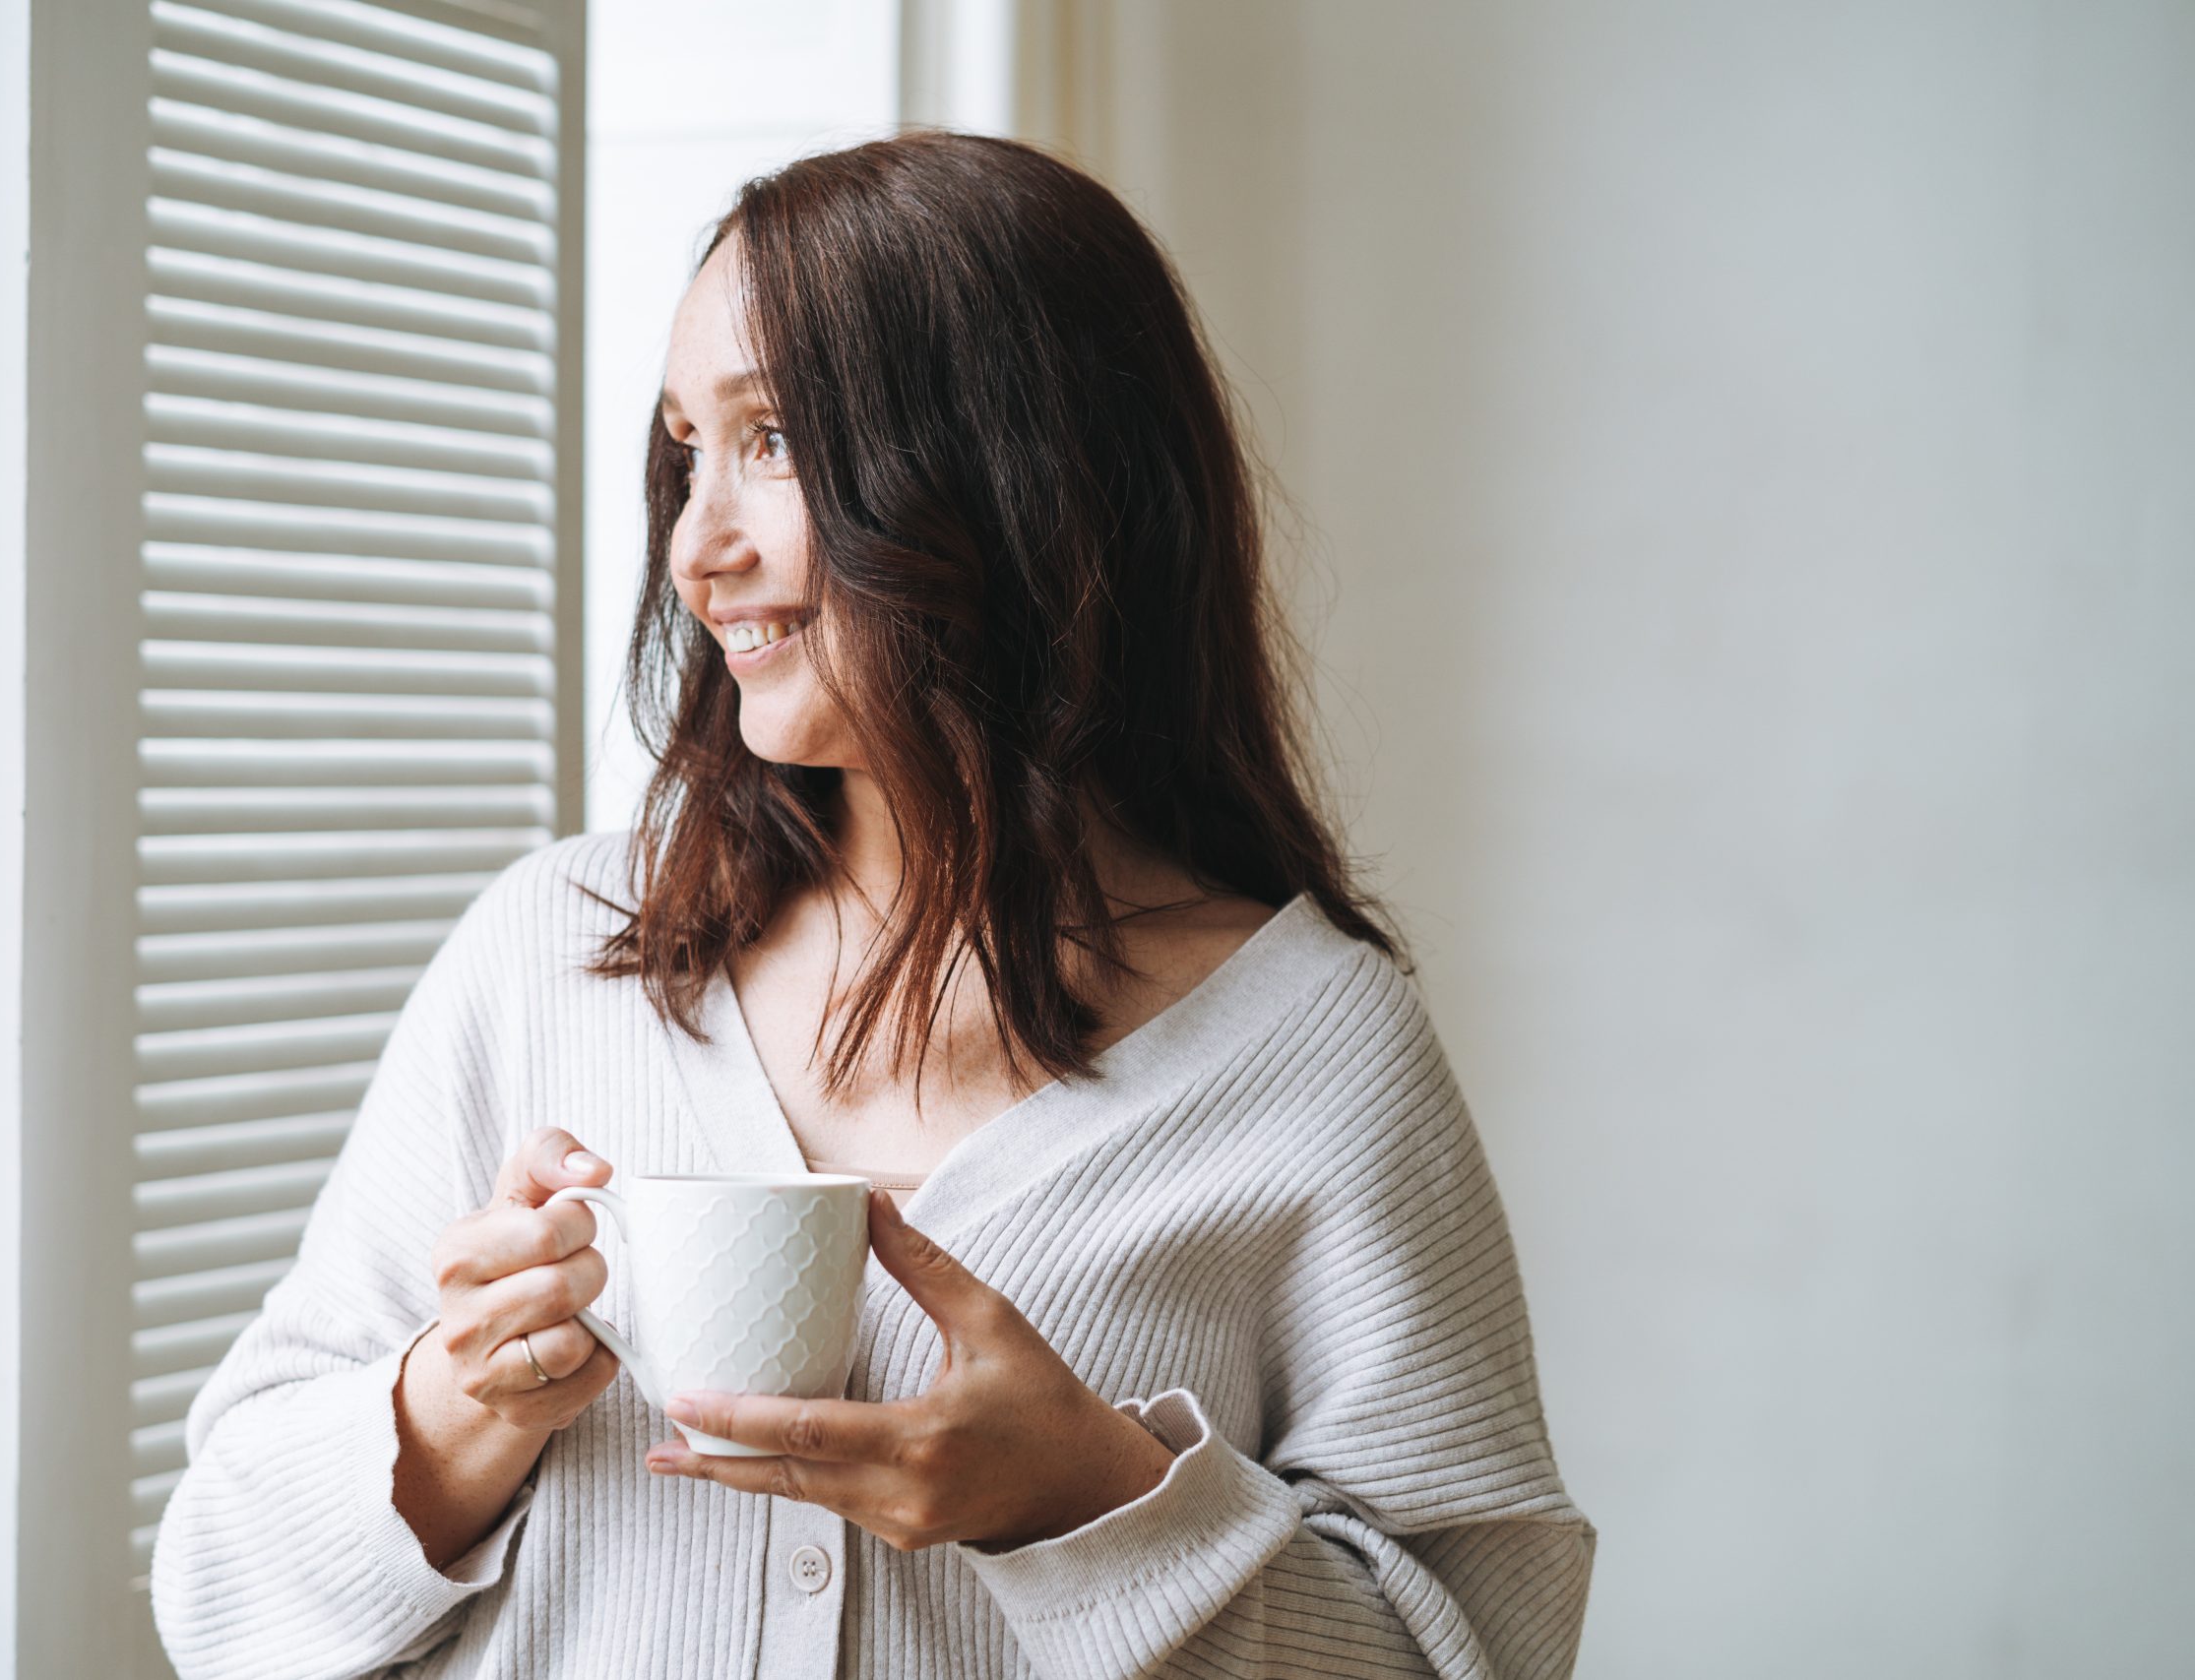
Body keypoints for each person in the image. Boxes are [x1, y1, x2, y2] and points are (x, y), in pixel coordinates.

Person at [152, 130, 1595, 1680]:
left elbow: (1477, 1650)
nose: (700, 551)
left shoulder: (1317, 1054)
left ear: (1019, 471)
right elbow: (219, 1594)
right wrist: (457, 1411)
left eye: (772, 440)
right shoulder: (552, 953)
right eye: (683, 450)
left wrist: (1093, 1503)